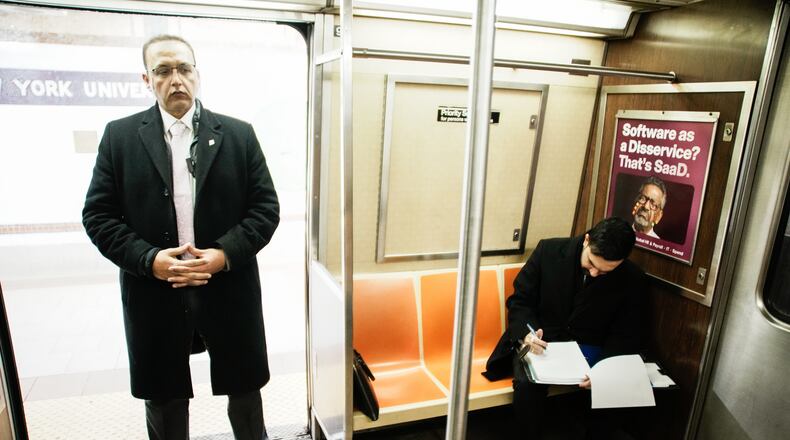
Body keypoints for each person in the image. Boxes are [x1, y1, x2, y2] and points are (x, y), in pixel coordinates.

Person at [82, 34, 279, 440]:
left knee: (245, 394)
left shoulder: (238, 135)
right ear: (146, 79)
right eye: (163, 70)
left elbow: (265, 210)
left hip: (228, 287)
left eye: (184, 69)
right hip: (155, 292)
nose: (176, 80)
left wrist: (223, 254)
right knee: (165, 400)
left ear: (197, 74)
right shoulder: (119, 137)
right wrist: (149, 259)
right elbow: (98, 216)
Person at [483, 217, 646, 439]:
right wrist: (527, 334)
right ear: (587, 240)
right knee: (528, 386)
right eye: (591, 264)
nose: (594, 273)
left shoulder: (632, 278)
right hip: (543, 342)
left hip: (592, 347)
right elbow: (520, 301)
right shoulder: (548, 251)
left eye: (605, 272)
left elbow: (626, 331)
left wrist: (605, 370)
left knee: (614, 387)